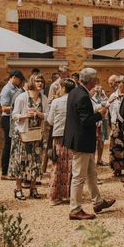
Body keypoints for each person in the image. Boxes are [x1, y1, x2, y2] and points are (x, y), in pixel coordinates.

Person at [64, 68, 116, 220]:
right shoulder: (82, 95)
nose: (97, 81)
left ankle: (97, 202)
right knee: (79, 176)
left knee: (91, 173)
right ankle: (75, 209)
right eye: (96, 79)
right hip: (81, 141)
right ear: (91, 81)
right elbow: (85, 120)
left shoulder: (75, 91)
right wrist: (100, 114)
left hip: (81, 139)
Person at [9, 75, 49, 200]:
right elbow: (14, 115)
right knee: (21, 161)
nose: (40, 83)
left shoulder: (44, 98)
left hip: (37, 134)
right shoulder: (22, 97)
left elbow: (48, 116)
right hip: (22, 135)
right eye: (37, 81)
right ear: (32, 82)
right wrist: (26, 115)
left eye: (42, 81)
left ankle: (33, 188)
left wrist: (39, 114)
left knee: (35, 162)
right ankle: (18, 189)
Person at [47, 78, 75, 206]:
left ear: (63, 88)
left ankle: (54, 195)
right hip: (71, 135)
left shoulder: (56, 102)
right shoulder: (75, 101)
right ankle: (68, 194)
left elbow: (50, 120)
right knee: (70, 166)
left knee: (57, 165)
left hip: (58, 134)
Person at [0, 70, 25, 180]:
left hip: (12, 119)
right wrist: (18, 108)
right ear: (14, 77)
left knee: (12, 144)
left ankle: (11, 169)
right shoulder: (6, 89)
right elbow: (4, 108)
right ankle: (4, 172)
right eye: (19, 79)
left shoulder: (15, 88)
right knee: (8, 144)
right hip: (7, 118)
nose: (20, 82)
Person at [108, 75, 124, 176]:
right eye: (120, 83)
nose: (121, 85)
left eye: (123, 83)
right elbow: (110, 110)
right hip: (115, 124)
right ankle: (116, 169)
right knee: (115, 147)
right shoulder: (113, 96)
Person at [91, 84, 109, 165]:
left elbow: (107, 102)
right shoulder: (91, 97)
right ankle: (92, 160)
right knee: (94, 141)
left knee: (102, 140)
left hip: (103, 120)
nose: (98, 90)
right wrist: (95, 93)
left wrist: (102, 93)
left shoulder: (103, 95)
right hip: (95, 121)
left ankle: (99, 159)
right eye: (96, 89)